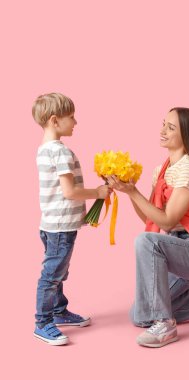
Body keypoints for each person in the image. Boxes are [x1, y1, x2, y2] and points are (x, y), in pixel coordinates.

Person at [107, 107, 189, 348]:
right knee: (139, 316)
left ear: (187, 135)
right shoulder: (161, 171)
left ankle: (166, 324)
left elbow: (168, 221)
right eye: (163, 124)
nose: (162, 131)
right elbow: (152, 220)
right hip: (175, 251)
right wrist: (129, 192)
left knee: (144, 241)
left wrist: (134, 192)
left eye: (171, 128)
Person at [32, 93, 111, 345]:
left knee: (58, 272)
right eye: (71, 117)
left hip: (50, 224)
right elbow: (70, 191)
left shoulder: (44, 149)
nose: (75, 122)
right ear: (55, 121)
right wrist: (98, 192)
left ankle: (58, 311)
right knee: (52, 275)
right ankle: (43, 322)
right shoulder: (61, 152)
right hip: (60, 226)